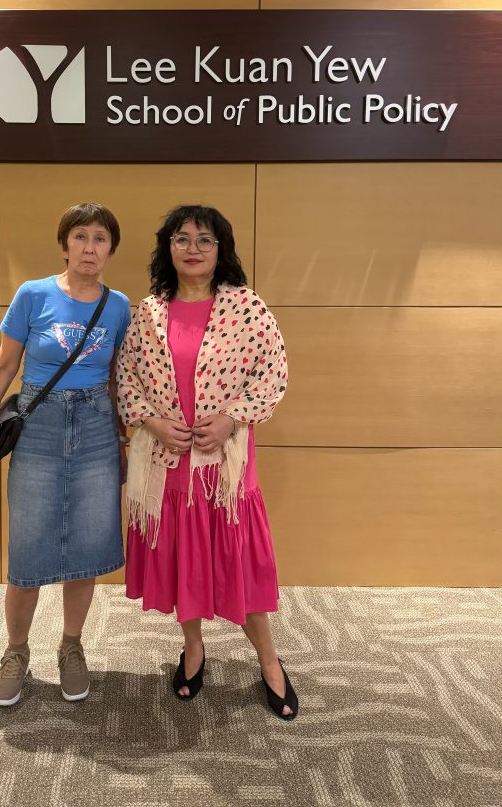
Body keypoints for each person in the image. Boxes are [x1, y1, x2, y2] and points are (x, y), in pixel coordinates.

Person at [116, 205, 297, 719]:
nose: (192, 248)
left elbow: (273, 372)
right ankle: (193, 649)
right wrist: (152, 422)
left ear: (221, 250)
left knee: (238, 560)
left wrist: (232, 418)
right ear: (167, 248)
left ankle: (269, 660)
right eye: (182, 238)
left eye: (204, 240)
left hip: (225, 467)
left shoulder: (246, 306)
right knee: (183, 558)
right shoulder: (149, 312)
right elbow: (126, 377)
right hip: (168, 463)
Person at [0, 203, 130, 707]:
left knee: (87, 545)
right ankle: (16, 651)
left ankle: (71, 646)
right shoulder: (33, 294)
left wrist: (124, 437)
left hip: (96, 427)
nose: (89, 248)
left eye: (100, 239)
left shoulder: (119, 306)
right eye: (80, 237)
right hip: (39, 425)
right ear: (64, 245)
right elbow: (4, 365)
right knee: (28, 545)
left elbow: (117, 377)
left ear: (110, 249)